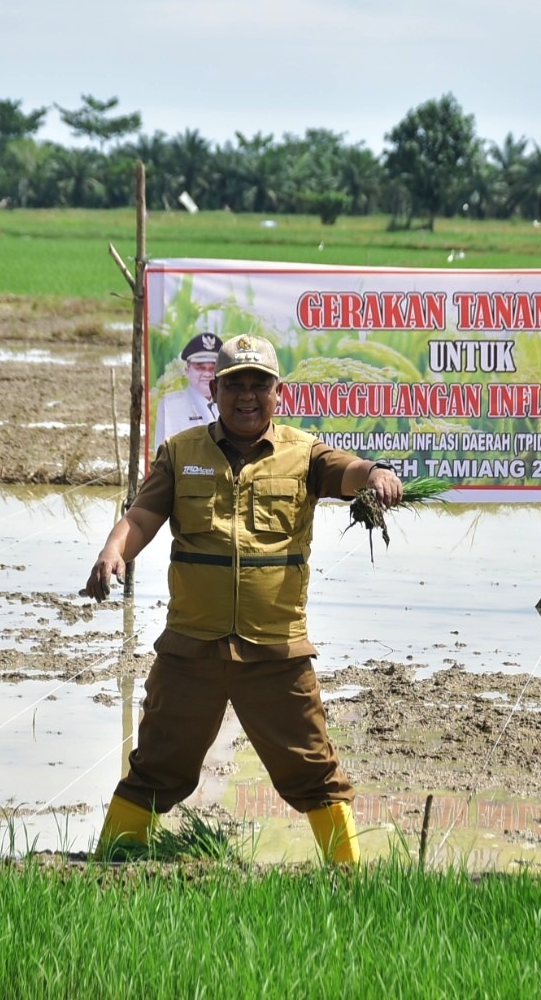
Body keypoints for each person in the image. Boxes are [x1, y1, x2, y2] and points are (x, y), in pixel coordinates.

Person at [82, 333, 402, 864]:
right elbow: (142, 516)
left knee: (314, 770)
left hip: (276, 653)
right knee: (156, 766)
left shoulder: (304, 454)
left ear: (279, 392)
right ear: (216, 390)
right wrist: (113, 551)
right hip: (191, 649)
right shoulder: (181, 453)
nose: (247, 396)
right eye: (235, 385)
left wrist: (376, 475)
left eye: (259, 385)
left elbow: (349, 472)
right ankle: (110, 869)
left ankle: (350, 881)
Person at [152, 331, 221, 448]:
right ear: (186, 370)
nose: (207, 374)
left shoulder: (228, 403)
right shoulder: (171, 405)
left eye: (212, 368)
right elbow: (164, 453)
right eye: (200, 367)